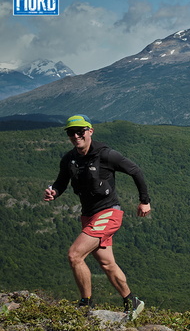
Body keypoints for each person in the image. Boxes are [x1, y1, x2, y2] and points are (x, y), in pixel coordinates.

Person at [43, 114, 151, 320]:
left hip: (109, 213)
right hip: (89, 215)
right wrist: (53, 192)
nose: (76, 136)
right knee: (107, 264)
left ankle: (86, 305)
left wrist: (144, 201)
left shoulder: (106, 154)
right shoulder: (69, 159)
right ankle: (132, 302)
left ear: (90, 131)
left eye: (80, 131)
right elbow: (60, 183)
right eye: (71, 133)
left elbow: (135, 170)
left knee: (75, 255)